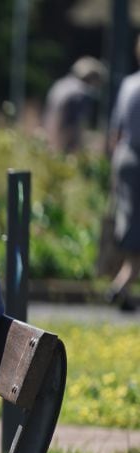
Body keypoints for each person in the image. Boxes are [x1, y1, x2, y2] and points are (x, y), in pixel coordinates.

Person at [107, 40, 140, 313]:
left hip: (124, 156)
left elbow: (115, 130)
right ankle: (123, 283)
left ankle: (123, 284)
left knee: (130, 222)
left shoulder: (128, 83)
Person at [42, 56, 106, 155]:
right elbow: (77, 127)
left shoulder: (61, 84)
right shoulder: (80, 94)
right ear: (90, 77)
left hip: (50, 139)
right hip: (65, 145)